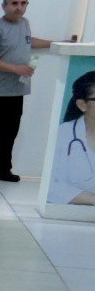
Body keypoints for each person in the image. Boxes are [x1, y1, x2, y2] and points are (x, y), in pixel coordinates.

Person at [0, 0, 54, 182]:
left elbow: (28, 41)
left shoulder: (24, 24)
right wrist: (15, 68)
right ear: (4, 6)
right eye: (14, 3)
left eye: (23, 3)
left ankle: (2, 170)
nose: (19, 8)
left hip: (15, 93)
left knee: (8, 135)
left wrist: (56, 43)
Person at [48, 70, 95, 208]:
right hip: (71, 214)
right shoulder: (62, 134)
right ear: (82, 105)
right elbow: (49, 186)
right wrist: (91, 198)